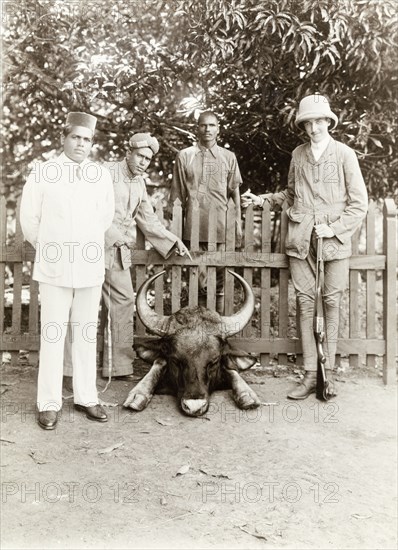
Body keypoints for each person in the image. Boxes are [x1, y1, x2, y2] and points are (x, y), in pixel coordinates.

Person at [241, 94, 368, 399]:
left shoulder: (344, 155)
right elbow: (290, 194)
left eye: (318, 121)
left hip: (333, 244)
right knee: (305, 304)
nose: (313, 128)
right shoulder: (298, 155)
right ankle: (311, 373)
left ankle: (329, 374)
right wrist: (263, 200)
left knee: (333, 304)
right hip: (300, 240)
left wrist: (334, 228)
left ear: (329, 121)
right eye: (307, 123)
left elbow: (359, 203)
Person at [20, 111, 115, 429]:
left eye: (87, 139)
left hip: (88, 267)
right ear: (64, 137)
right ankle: (48, 402)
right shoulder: (43, 172)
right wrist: (53, 247)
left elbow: (104, 219)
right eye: (76, 137)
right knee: (53, 333)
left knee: (87, 332)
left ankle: (86, 396)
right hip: (54, 267)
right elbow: (29, 220)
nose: (81, 144)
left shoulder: (100, 176)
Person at [90, 132, 190, 380]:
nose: (144, 162)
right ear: (128, 152)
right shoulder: (106, 173)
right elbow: (91, 210)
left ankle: (119, 368)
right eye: (140, 156)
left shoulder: (139, 183)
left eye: (148, 159)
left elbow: (148, 219)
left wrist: (172, 240)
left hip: (116, 255)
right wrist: (113, 235)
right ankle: (72, 373)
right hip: (92, 248)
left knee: (123, 302)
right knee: (84, 307)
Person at [169, 111, 243, 312]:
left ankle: (216, 329)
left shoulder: (228, 157)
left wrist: (237, 225)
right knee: (198, 284)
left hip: (221, 229)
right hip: (194, 230)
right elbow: (176, 196)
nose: (207, 129)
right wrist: (174, 233)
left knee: (219, 283)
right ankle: (198, 330)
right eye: (203, 125)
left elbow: (234, 193)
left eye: (212, 125)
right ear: (197, 128)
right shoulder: (185, 156)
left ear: (218, 128)